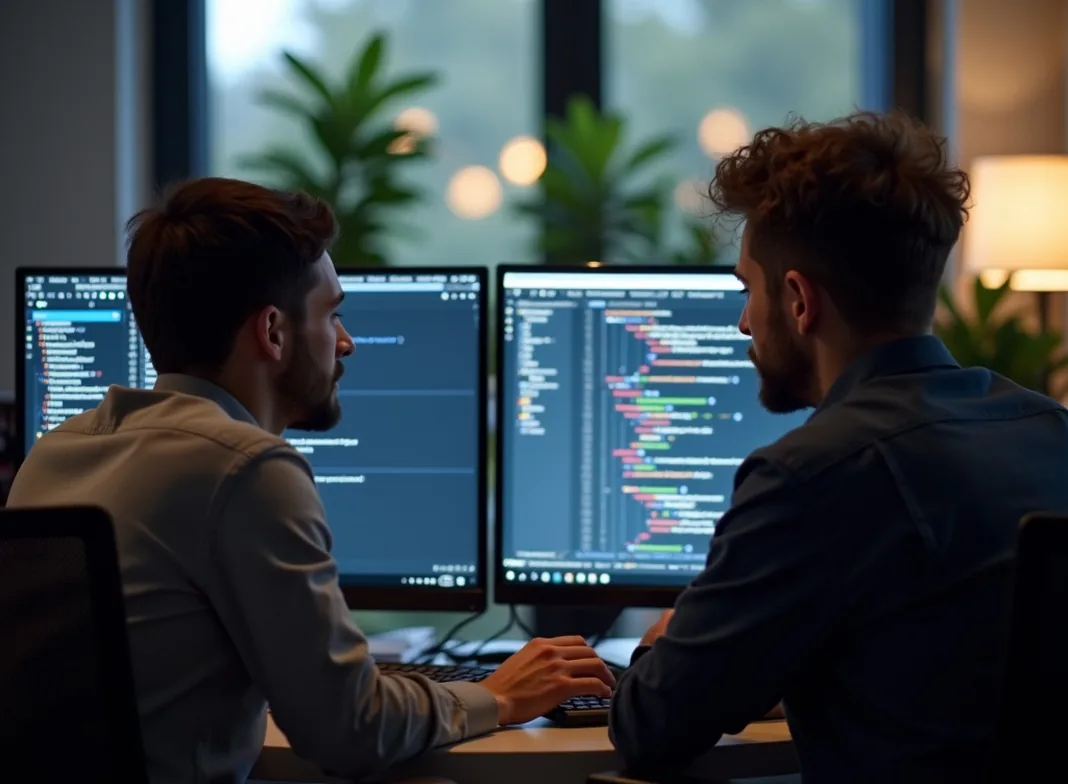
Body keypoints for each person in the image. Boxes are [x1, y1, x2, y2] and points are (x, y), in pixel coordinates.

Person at [7, 177, 614, 784]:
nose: (345, 342)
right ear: (272, 332)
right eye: (332, 314)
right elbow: (351, 731)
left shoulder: (56, 451)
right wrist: (500, 695)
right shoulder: (242, 465)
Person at [608, 111, 1068, 783]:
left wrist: (665, 641)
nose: (743, 321)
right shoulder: (1050, 429)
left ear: (798, 300)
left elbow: (652, 729)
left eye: (747, 289)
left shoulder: (808, 477)